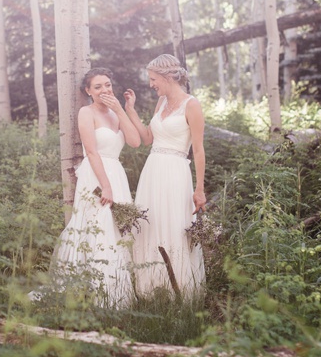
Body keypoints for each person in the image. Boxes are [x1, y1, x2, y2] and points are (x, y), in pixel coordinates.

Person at [50, 68, 142, 306]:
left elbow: (134, 141)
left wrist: (123, 109)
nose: (104, 90)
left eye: (108, 85)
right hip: (97, 176)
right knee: (97, 227)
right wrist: (106, 186)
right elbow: (91, 151)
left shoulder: (115, 113)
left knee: (117, 230)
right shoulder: (86, 112)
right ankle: (91, 293)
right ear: (88, 91)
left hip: (116, 174)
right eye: (98, 86)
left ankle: (116, 292)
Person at [124, 54, 207, 298]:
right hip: (152, 171)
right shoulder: (160, 102)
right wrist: (130, 110)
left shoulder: (192, 105)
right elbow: (148, 138)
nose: (151, 84)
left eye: (153, 79)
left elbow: (199, 150)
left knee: (173, 226)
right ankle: (150, 288)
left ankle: (179, 291)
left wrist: (199, 189)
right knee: (151, 226)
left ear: (166, 77)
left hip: (175, 172)